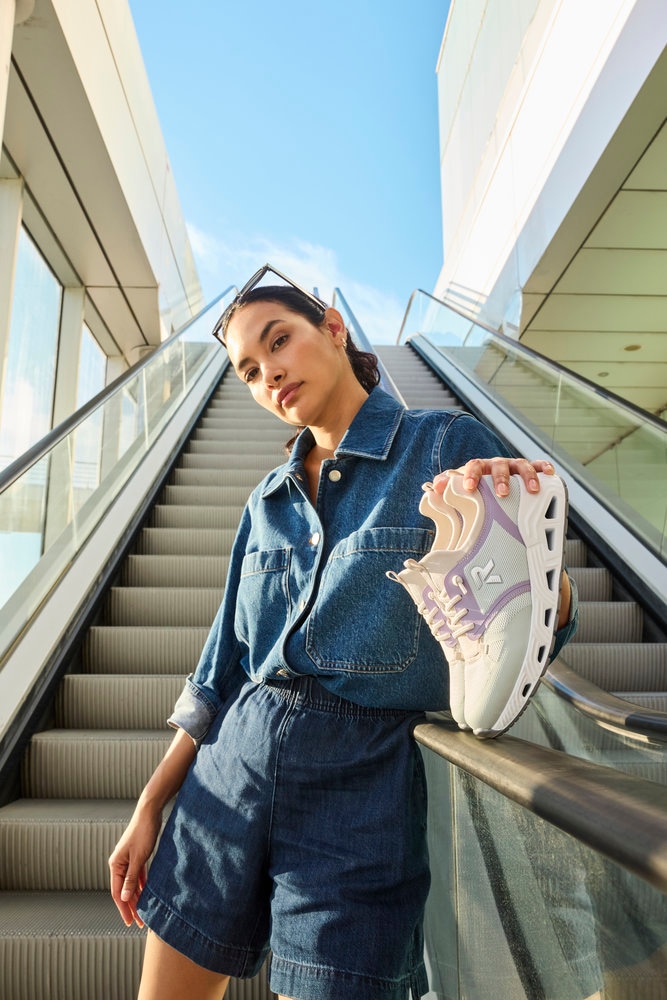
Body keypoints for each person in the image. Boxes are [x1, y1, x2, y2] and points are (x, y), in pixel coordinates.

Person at [109, 265, 578, 1000]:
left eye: (280, 342)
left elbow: (537, 612)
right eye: (249, 371)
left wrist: (519, 539)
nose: (270, 376)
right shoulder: (265, 502)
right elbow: (219, 669)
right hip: (231, 771)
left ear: (333, 327)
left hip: (363, 787)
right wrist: (150, 804)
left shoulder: (442, 443)